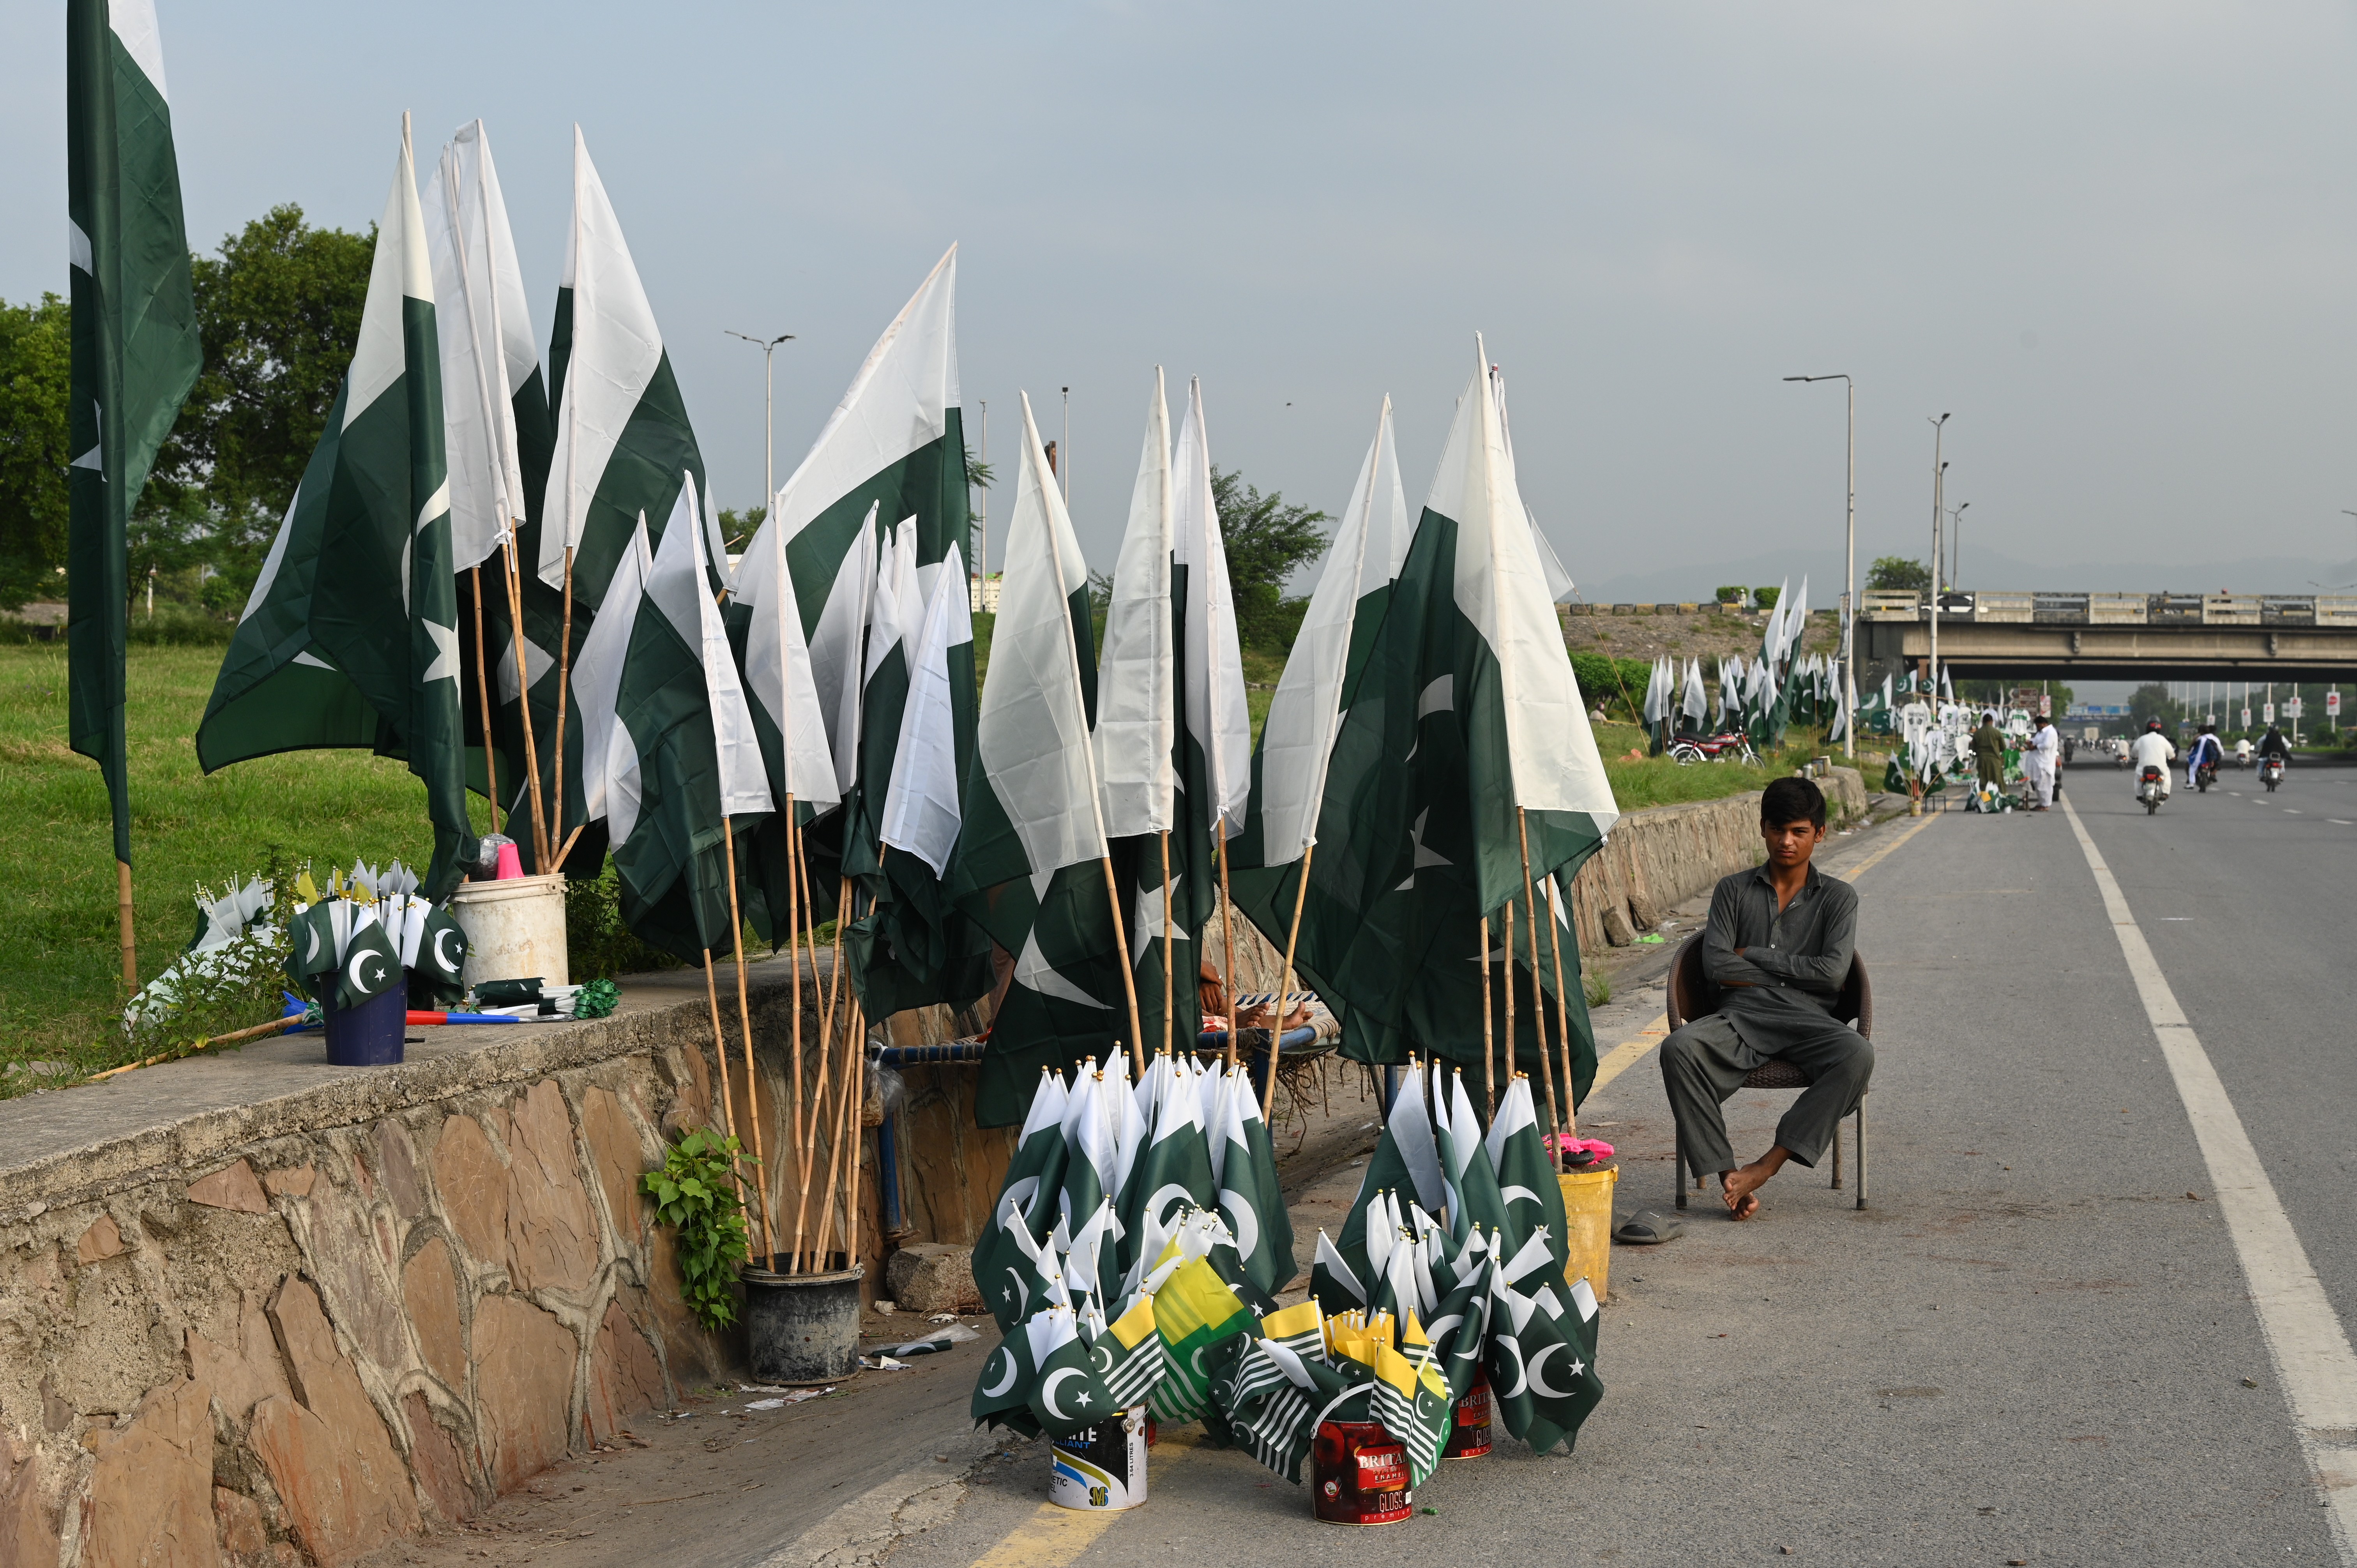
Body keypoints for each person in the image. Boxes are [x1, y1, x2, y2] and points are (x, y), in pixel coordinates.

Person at [1659, 777, 1872, 1222]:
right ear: (1763, 828)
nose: (1786, 841)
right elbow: (1716, 965)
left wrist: (1754, 956)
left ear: (1819, 832)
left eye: (1798, 831)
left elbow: (1833, 974)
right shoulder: (1732, 891)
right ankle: (1727, 1176)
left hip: (1809, 1022)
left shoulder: (1838, 898)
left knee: (1857, 1055)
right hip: (1741, 1017)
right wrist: (1793, 974)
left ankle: (1765, 1166)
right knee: (1679, 1048)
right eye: (1778, 830)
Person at [2129, 717, 2177, 799]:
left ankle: (2140, 795)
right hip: (2160, 768)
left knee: (2138, 777)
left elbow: (2133, 753)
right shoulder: (2163, 739)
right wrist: (2173, 758)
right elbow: (2172, 754)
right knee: (2167, 774)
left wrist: (2134, 757)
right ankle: (2165, 792)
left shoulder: (2142, 739)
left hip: (2143, 768)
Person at [2021, 713, 2059, 811]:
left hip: (2045, 764)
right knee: (2039, 785)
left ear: (2044, 724)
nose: (2037, 728)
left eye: (2038, 726)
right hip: (2038, 764)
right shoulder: (2041, 732)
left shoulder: (2050, 732)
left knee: (2045, 786)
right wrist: (2030, 742)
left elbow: (2047, 744)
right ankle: (2041, 803)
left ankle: (2045, 805)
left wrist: (2035, 747)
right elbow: (2037, 740)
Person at [1970, 712, 2006, 794]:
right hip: (1995, 760)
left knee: (1983, 782)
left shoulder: (1977, 733)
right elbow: (2003, 747)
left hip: (1982, 760)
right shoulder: (1997, 732)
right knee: (1997, 782)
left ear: (1983, 721)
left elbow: (1974, 750)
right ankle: (1999, 800)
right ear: (1992, 721)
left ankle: (1984, 801)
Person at [2185, 723, 2224, 789]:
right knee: (2219, 764)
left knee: (2190, 766)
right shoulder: (2215, 739)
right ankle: (2213, 774)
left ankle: (2191, 781)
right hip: (2213, 759)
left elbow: (2193, 749)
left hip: (2200, 759)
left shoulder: (2199, 738)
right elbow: (2221, 752)